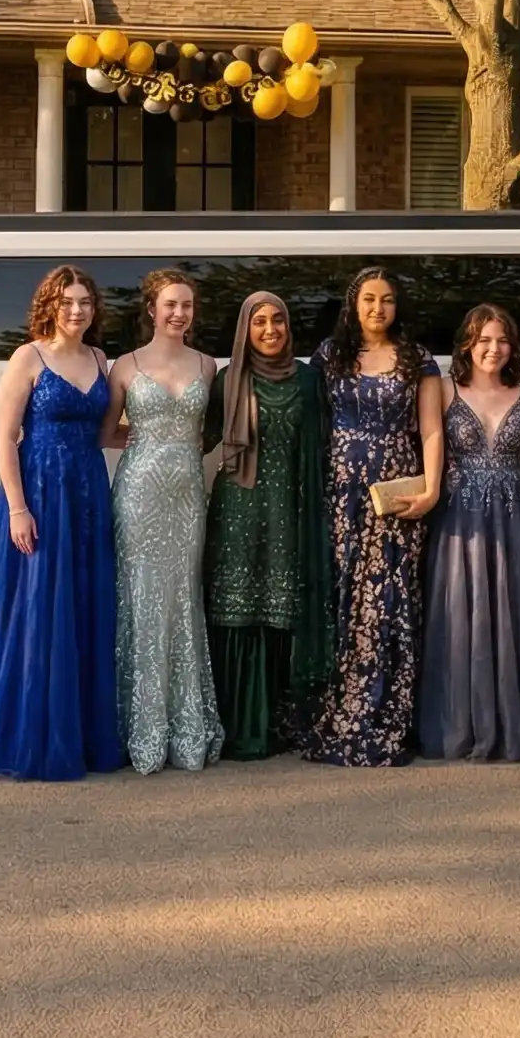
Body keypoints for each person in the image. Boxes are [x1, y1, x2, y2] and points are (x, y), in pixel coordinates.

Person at [0, 265, 124, 780]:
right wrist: (18, 510)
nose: (76, 309)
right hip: (40, 495)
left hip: (88, 492)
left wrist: (169, 431)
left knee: (82, 610)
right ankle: (32, 737)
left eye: (85, 301)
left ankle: (82, 735)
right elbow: (4, 438)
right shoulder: (28, 357)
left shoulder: (98, 358)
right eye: (67, 301)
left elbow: (106, 431)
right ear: (49, 304)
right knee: (40, 612)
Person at [301, 267, 445, 767]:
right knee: (341, 598)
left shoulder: (417, 360)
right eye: (368, 299)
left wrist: (430, 490)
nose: (377, 309)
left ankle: (385, 716)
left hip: (395, 499)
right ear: (353, 304)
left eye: (386, 300)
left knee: (388, 602)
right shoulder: (329, 356)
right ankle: (337, 715)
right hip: (339, 495)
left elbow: (430, 430)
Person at [200, 290, 329, 760]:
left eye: (278, 320)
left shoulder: (309, 380)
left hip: (288, 508)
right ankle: (238, 724)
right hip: (237, 508)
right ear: (245, 330)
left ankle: (277, 721)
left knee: (281, 612)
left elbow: (323, 447)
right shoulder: (226, 380)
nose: (270, 330)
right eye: (259, 323)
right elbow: (200, 437)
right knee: (236, 613)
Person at [104, 269, 223, 774]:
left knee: (181, 598)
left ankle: (187, 725)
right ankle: (140, 727)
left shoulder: (208, 365)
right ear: (151, 309)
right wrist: (151, 445)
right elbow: (108, 432)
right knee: (140, 600)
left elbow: (211, 429)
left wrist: (185, 448)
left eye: (187, 305)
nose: (179, 313)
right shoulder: (124, 366)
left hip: (187, 500)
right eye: (170, 304)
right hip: (139, 496)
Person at [419, 304, 520, 762]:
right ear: (467, 343)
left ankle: (508, 725)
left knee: (510, 610)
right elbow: (428, 442)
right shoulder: (445, 389)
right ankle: (463, 725)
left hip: (512, 513)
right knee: (460, 613)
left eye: (502, 340)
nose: (494, 348)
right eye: (484, 339)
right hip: (460, 514)